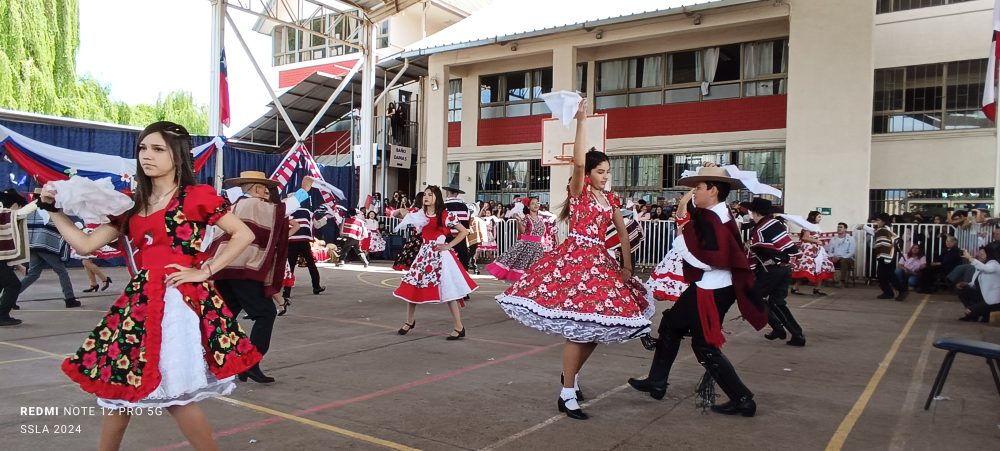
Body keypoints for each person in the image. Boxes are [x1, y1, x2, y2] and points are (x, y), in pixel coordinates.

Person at [47, 121, 260, 451]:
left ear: (178, 156)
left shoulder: (195, 196)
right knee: (117, 388)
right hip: (140, 302)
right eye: (143, 148)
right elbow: (87, 245)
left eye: (157, 149)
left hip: (177, 302)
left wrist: (205, 270)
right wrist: (53, 211)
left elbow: (243, 234)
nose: (147, 155)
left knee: (175, 395)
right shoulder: (132, 205)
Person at [497, 101, 652, 421]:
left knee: (596, 328)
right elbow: (578, 163)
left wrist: (627, 266)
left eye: (608, 172)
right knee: (579, 329)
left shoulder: (610, 198)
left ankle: (570, 379)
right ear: (588, 172)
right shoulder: (579, 190)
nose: (605, 176)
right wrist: (581, 121)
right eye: (601, 171)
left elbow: (622, 233)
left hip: (600, 260)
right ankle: (567, 392)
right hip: (575, 259)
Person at [628, 162, 767, 418]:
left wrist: (680, 242)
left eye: (699, 187)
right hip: (708, 287)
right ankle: (656, 381)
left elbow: (710, 261)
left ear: (713, 190)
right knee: (671, 325)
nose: (695, 193)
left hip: (712, 289)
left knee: (704, 345)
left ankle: (743, 399)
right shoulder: (714, 214)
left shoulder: (717, 219)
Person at [208, 170, 291, 384]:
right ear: (255, 188)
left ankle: (218, 361)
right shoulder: (254, 205)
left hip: (226, 269)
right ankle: (250, 362)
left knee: (226, 315)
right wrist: (304, 192)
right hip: (242, 269)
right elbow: (282, 212)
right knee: (265, 314)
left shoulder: (233, 207)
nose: (267, 193)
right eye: (264, 188)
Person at [393, 185, 477, 339]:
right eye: (425, 194)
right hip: (424, 255)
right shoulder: (420, 214)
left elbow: (464, 231)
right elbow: (395, 214)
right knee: (412, 286)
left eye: (430, 195)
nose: (426, 197)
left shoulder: (445, 215)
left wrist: (449, 245)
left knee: (448, 290)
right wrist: (406, 210)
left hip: (441, 256)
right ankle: (409, 321)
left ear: (436, 198)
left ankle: (459, 327)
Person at [745, 198, 805, 346]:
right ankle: (797, 335)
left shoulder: (759, 229)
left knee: (753, 297)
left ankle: (777, 327)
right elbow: (791, 248)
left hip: (770, 270)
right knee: (777, 302)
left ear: (756, 213)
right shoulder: (776, 224)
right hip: (784, 268)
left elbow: (755, 251)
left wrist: (750, 264)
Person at [19, 190, 80, 308]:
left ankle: (10, 297)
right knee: (61, 271)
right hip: (46, 244)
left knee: (33, 274)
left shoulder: (29, 209)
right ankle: (70, 298)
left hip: (32, 245)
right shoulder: (50, 209)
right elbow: (58, 227)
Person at [487, 197, 548, 282]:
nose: (536, 205)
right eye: (533, 203)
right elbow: (522, 231)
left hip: (538, 248)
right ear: (528, 206)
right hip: (527, 247)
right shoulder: (526, 218)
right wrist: (518, 221)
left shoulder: (542, 218)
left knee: (536, 271)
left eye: (537, 203)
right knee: (523, 270)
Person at [0, 189, 33, 326]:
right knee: (13, 284)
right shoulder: (6, 215)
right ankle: (2, 315)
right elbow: (21, 213)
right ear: (14, 204)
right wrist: (40, 201)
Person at [283, 198, 325, 298]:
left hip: (291, 240)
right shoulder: (307, 211)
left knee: (290, 266)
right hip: (304, 240)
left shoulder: (286, 211)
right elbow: (316, 225)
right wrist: (326, 218)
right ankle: (316, 286)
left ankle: (286, 291)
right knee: (311, 264)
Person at [790, 211, 834, 296]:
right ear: (813, 217)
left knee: (822, 265)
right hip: (808, 250)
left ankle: (817, 288)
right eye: (819, 217)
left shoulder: (815, 226)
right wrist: (817, 241)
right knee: (807, 268)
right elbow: (805, 237)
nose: (820, 219)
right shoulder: (807, 226)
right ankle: (795, 287)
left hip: (816, 249)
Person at [956, 243, 1000, 322]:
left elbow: (986, 268)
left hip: (993, 300)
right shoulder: (981, 265)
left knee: (971, 311)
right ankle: (975, 313)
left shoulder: (994, 264)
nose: (979, 255)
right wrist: (967, 284)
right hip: (983, 295)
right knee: (963, 289)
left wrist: (969, 257)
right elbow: (975, 282)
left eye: (982, 254)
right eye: (979, 253)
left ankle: (977, 313)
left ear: (989, 254)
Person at [864, 213, 903, 300]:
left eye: (878, 220)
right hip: (884, 256)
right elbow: (874, 232)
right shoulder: (882, 230)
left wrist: (864, 227)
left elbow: (875, 232)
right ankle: (888, 293)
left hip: (888, 257)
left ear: (883, 221)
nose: (877, 222)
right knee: (881, 275)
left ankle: (902, 290)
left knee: (890, 275)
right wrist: (864, 227)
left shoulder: (884, 230)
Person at [71, 222, 115, 293]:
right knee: (86, 263)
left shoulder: (86, 229)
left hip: (92, 238)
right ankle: (93, 284)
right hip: (89, 237)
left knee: (85, 262)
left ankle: (105, 279)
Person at [391, 192, 424, 271]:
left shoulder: (413, 211)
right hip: (422, 237)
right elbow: (395, 214)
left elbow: (395, 214)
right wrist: (401, 210)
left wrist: (401, 210)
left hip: (417, 237)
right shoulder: (415, 211)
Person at [442, 186, 472, 270]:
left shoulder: (444, 206)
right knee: (461, 261)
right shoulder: (465, 207)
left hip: (447, 236)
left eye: (448, 192)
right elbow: (468, 219)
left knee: (447, 261)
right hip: (461, 236)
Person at [825, 222, 856, 288]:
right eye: (838, 227)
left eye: (841, 227)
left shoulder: (850, 239)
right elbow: (830, 251)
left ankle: (842, 281)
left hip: (847, 259)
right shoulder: (833, 239)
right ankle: (826, 280)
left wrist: (840, 257)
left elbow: (851, 252)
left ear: (845, 229)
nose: (839, 228)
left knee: (843, 261)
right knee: (825, 259)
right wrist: (832, 256)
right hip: (835, 257)